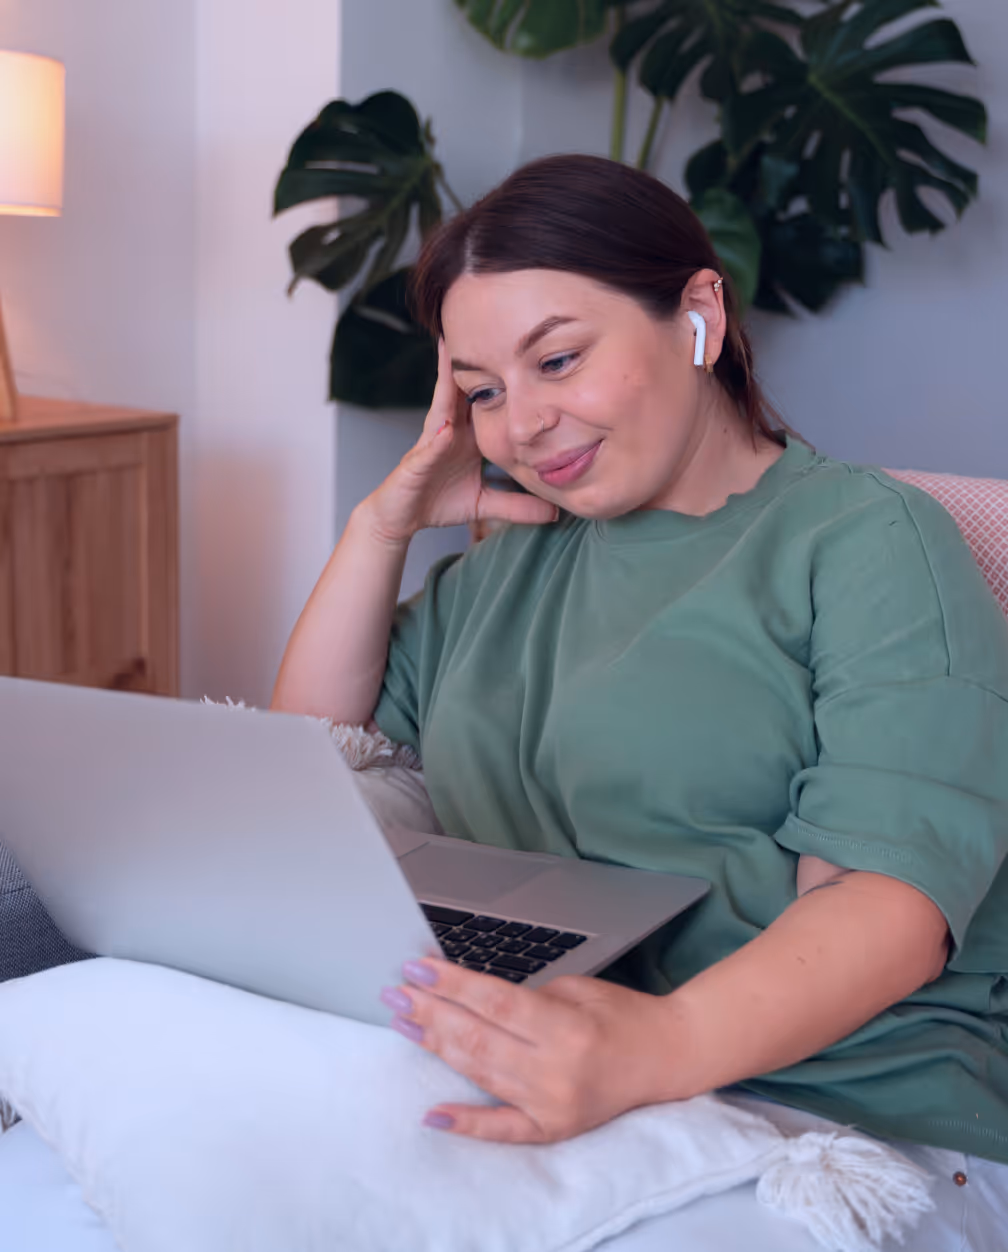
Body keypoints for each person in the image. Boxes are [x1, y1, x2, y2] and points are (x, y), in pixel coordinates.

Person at [272, 155, 1008, 1168]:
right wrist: (380, 525)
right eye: (484, 390)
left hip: (829, 1115)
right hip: (552, 1061)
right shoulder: (513, 560)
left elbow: (892, 907)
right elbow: (314, 759)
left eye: (559, 360)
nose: (523, 425)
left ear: (697, 312)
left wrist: (655, 1047)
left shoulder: (868, 539)